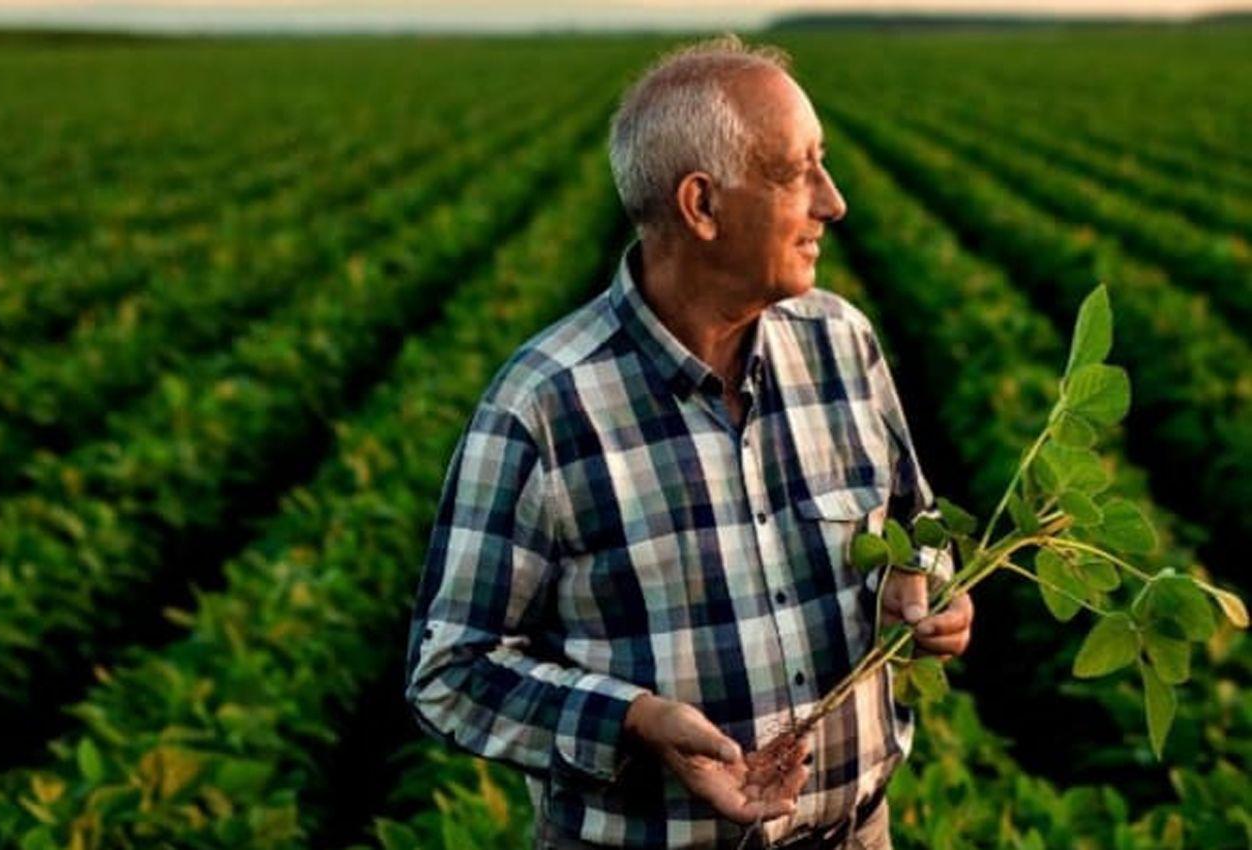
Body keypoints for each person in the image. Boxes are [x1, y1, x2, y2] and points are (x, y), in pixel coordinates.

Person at [404, 35, 974, 850]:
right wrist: (632, 723)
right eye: (796, 172)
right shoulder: (544, 406)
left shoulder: (844, 344)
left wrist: (930, 592)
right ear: (702, 207)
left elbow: (919, 533)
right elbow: (451, 671)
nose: (834, 202)